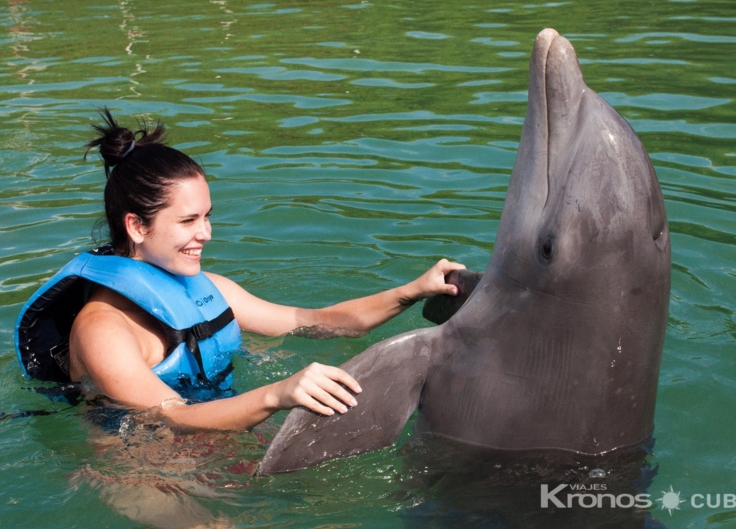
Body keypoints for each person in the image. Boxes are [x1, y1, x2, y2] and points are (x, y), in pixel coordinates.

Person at [16, 109, 465, 433]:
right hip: (144, 466)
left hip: (223, 433)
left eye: (208, 216)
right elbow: (172, 417)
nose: (206, 234)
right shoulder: (102, 330)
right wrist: (277, 393)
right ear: (136, 225)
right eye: (188, 221)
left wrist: (413, 290)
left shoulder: (205, 289)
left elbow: (315, 321)